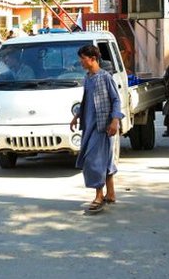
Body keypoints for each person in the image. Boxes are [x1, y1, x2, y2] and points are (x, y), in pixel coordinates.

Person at [69, 44, 124, 214]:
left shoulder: (105, 77)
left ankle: (99, 196)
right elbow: (86, 100)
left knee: (94, 161)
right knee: (104, 160)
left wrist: (115, 120)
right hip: (89, 125)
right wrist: (77, 116)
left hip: (103, 127)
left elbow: (116, 100)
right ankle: (111, 193)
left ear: (92, 59)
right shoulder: (88, 78)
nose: (81, 62)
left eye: (83, 59)